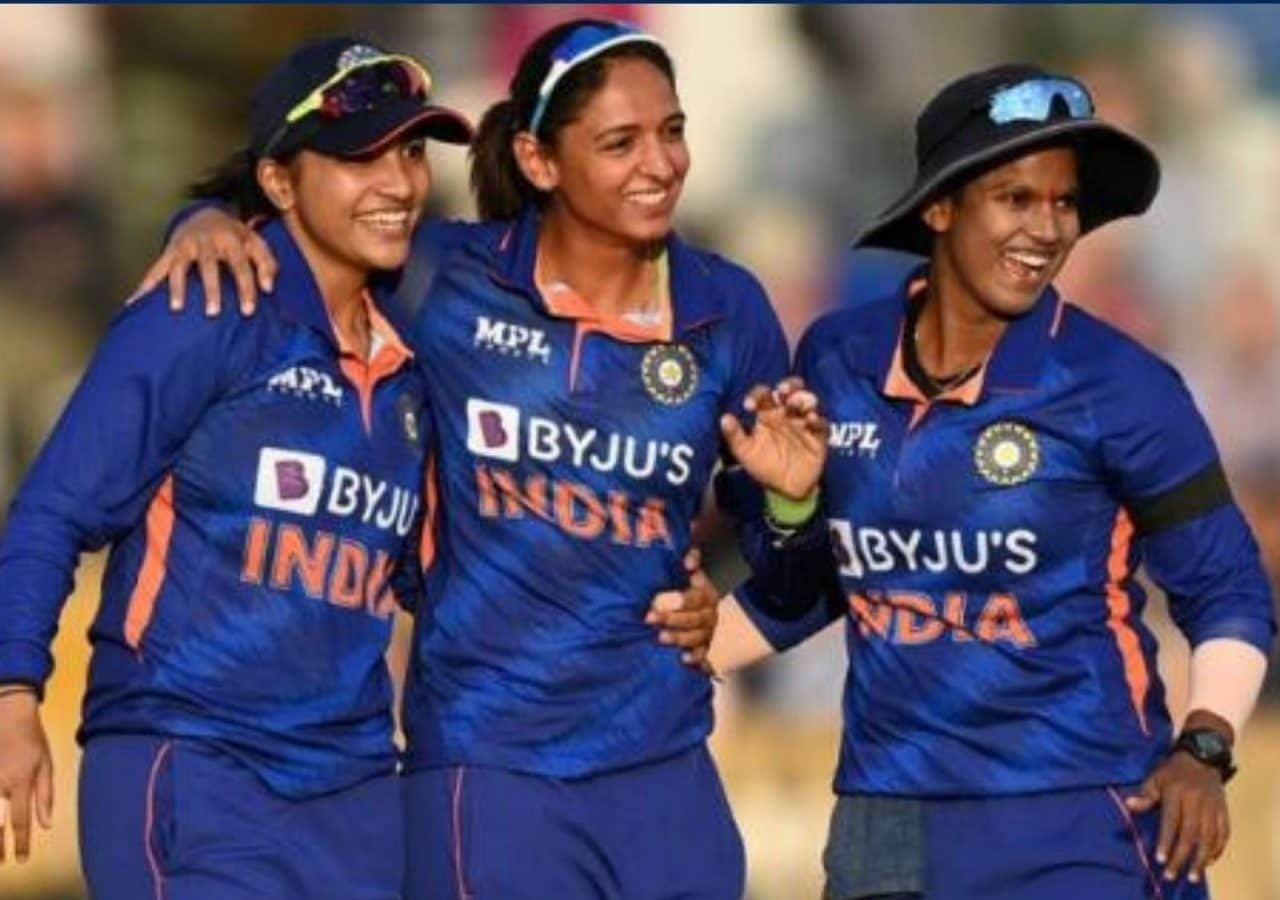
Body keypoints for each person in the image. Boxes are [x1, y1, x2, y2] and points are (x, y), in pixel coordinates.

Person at [134, 18, 808, 900]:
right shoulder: (442, 277)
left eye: (672, 131)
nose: (661, 164)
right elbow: (307, 229)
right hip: (486, 770)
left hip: (665, 772)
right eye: (620, 142)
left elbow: (795, 560)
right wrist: (203, 218)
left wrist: (782, 520)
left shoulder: (728, 307)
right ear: (537, 160)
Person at [712, 64, 1276, 900]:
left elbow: (1228, 589)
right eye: (1015, 198)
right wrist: (781, 518)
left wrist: (1204, 745)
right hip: (886, 816)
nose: (1047, 228)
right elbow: (817, 586)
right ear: (940, 207)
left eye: (1064, 202)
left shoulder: (1121, 383)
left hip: (1082, 810)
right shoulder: (838, 357)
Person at [0, 36, 479, 897]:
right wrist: (13, 692)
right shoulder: (205, 308)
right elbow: (53, 511)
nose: (399, 184)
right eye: (359, 158)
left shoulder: (414, 360)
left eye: (410, 153)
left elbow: (424, 578)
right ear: (279, 182)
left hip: (355, 796)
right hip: (192, 764)